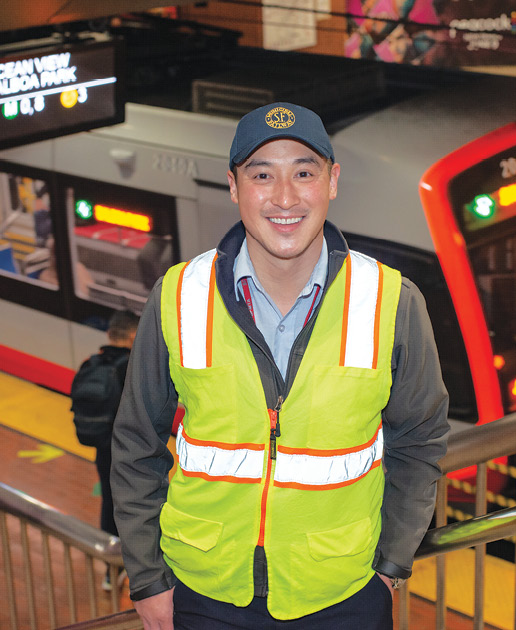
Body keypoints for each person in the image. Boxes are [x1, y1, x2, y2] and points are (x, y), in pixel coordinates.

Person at [111, 102, 450, 629]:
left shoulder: (393, 301)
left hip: (344, 593)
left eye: (305, 173)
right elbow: (137, 442)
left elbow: (421, 437)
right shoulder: (176, 296)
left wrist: (389, 566)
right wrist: (149, 579)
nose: (285, 197)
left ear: (332, 182)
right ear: (233, 186)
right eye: (262, 174)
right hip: (203, 591)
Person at [73, 310, 139, 590]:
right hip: (131, 452)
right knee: (138, 504)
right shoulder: (130, 367)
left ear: (109, 334)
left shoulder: (91, 362)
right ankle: (140, 568)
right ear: (133, 336)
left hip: (103, 448)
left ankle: (110, 572)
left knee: (109, 502)